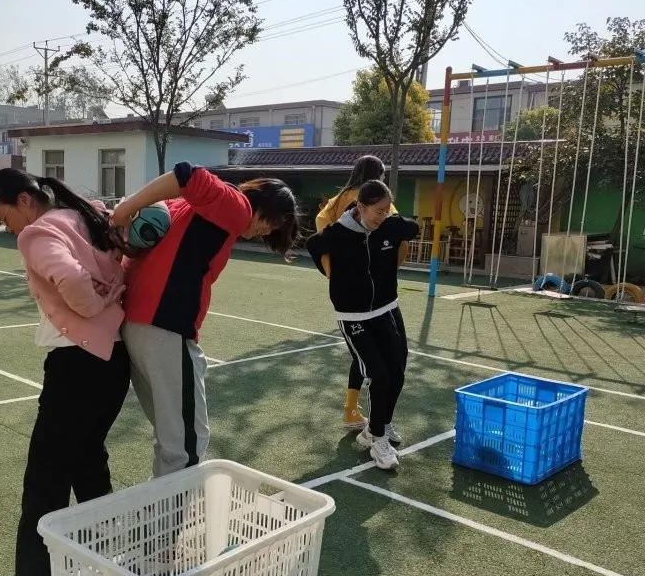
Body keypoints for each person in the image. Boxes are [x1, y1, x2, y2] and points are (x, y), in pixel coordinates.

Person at [0, 168, 131, 576]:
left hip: (76, 364)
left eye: (5, 217)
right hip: (113, 358)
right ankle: (105, 559)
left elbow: (75, 287)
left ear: (25, 200)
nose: (9, 229)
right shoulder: (87, 215)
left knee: (46, 474)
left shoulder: (40, 231)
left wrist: (96, 303)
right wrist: (112, 297)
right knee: (87, 463)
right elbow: (120, 266)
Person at [111, 161, 299, 478]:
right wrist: (125, 209)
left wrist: (128, 210)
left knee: (171, 435)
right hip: (164, 325)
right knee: (185, 444)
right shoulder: (237, 206)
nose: (267, 230)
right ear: (262, 204)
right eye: (272, 222)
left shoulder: (182, 207)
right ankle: (170, 524)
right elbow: (186, 173)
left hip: (134, 323)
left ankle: (160, 517)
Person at [306, 179, 418, 470]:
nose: (382, 216)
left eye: (386, 210)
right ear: (360, 207)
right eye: (377, 211)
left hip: (387, 307)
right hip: (355, 316)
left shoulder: (390, 226)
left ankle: (380, 426)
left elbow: (413, 229)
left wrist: (395, 224)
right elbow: (312, 245)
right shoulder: (338, 233)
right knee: (379, 374)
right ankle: (378, 441)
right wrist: (335, 279)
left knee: (398, 368)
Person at [314, 155, 409, 433]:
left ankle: (352, 410)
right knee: (381, 364)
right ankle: (376, 426)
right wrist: (389, 266)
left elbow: (320, 229)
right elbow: (397, 238)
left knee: (363, 357)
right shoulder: (379, 200)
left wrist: (332, 268)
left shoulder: (338, 199)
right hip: (373, 293)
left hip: (346, 289)